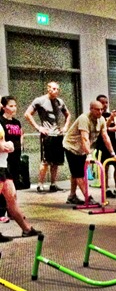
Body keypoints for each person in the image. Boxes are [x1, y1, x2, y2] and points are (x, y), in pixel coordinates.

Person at [63, 100, 116, 205]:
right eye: (97, 110)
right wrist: (89, 154)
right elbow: (84, 138)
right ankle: (88, 198)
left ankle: (72, 196)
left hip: (82, 149)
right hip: (72, 147)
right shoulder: (84, 119)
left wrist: (112, 153)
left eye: (101, 109)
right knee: (79, 174)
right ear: (91, 109)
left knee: (76, 172)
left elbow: (105, 137)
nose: (100, 112)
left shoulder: (101, 120)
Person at [24, 81, 71, 192]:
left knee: (56, 162)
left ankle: (53, 184)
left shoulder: (60, 102)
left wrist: (65, 127)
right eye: (54, 89)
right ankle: (40, 184)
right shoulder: (40, 100)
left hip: (57, 134)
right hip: (47, 134)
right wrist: (38, 127)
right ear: (48, 89)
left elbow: (68, 115)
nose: (56, 91)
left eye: (57, 89)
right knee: (45, 161)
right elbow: (27, 114)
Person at [0, 122, 39, 240]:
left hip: (3, 166)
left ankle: (27, 229)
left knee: (12, 198)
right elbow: (3, 146)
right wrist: (8, 144)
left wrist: (8, 145)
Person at [94, 94, 116, 199]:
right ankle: (106, 189)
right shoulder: (97, 116)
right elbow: (102, 127)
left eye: (106, 102)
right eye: (102, 103)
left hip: (112, 146)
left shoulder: (111, 115)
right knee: (104, 168)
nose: (105, 105)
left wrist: (108, 128)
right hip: (102, 146)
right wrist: (109, 122)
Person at [0, 95, 24, 223]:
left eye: (15, 106)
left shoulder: (17, 122)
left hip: (16, 156)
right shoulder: (1, 121)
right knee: (4, 185)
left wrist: (20, 145)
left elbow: (21, 135)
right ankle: (1, 211)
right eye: (10, 106)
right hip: (5, 158)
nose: (14, 108)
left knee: (13, 185)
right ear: (4, 107)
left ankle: (12, 211)